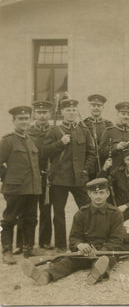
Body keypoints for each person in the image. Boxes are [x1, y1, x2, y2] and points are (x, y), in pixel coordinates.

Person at [20, 178, 124, 285]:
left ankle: (95, 275)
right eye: (95, 193)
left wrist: (100, 251)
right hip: (84, 252)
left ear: (107, 193)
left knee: (105, 261)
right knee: (66, 262)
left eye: (101, 193)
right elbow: (74, 237)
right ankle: (45, 276)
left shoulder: (115, 214)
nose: (98, 196)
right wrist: (80, 245)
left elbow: (116, 240)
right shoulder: (81, 213)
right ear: (89, 194)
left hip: (104, 252)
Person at [44, 98, 96, 252]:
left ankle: (88, 241)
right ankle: (61, 245)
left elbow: (91, 153)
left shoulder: (84, 130)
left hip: (79, 178)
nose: (71, 113)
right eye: (68, 110)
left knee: (87, 209)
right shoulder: (54, 131)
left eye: (74, 110)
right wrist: (60, 143)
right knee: (59, 213)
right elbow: (44, 152)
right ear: (62, 112)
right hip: (59, 179)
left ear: (77, 112)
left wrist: (85, 171)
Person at [0, 106, 41, 263]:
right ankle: (7, 251)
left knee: (31, 218)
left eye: (26, 119)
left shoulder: (31, 140)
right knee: (9, 219)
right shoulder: (7, 141)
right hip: (15, 188)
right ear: (14, 121)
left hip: (32, 188)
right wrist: (8, 178)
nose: (24, 122)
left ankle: (28, 249)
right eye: (20, 119)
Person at [27, 100, 54, 250]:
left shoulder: (54, 131)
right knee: (28, 211)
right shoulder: (28, 132)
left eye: (45, 113)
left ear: (50, 114)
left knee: (45, 210)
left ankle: (44, 241)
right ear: (34, 114)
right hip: (31, 176)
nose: (42, 116)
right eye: (39, 113)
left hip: (47, 176)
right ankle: (24, 244)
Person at [99, 102, 129, 172]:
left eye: (128, 114)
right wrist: (116, 147)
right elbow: (101, 152)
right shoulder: (109, 131)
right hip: (114, 170)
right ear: (117, 115)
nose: (126, 116)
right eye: (123, 114)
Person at [83, 94, 113, 177]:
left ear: (103, 108)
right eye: (93, 105)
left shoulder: (108, 124)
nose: (96, 108)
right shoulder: (83, 124)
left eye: (99, 105)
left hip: (104, 163)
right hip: (88, 164)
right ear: (89, 107)